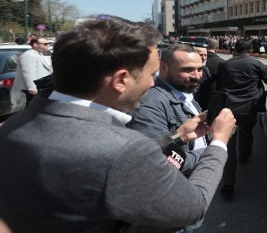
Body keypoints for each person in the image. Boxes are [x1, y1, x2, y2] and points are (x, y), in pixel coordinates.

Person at [0, 16, 236, 232]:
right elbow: (194, 207)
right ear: (121, 80)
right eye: (150, 74)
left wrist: (177, 137)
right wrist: (218, 144)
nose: (152, 85)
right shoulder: (124, 149)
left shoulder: (14, 124)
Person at [128, 44, 208, 177]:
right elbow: (156, 159)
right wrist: (209, 153)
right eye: (188, 70)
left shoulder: (184, 92)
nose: (197, 76)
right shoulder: (150, 103)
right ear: (163, 67)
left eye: (200, 69)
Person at [214, 38, 267, 200]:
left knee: (228, 147)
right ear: (250, 51)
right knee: (247, 132)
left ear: (234, 48)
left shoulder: (224, 65)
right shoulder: (256, 64)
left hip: (228, 109)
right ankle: (244, 154)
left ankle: (228, 185)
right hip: (249, 108)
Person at [13, 37, 53, 107]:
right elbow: (28, 72)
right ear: (35, 44)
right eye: (45, 44)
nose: (48, 45)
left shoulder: (37, 54)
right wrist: (32, 88)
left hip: (40, 85)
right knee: (33, 106)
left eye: (48, 43)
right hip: (36, 87)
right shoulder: (29, 55)